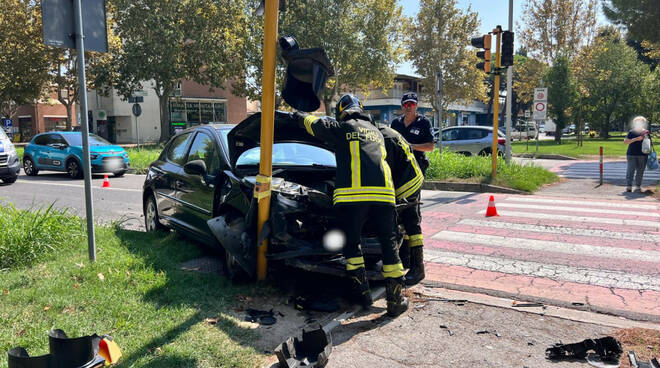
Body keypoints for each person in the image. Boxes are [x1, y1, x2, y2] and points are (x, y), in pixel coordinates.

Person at [293, 94, 408, 317]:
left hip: (353, 198)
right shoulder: (376, 132)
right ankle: (395, 301)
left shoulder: (342, 127)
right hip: (384, 195)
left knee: (352, 246)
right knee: (389, 244)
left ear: (343, 111)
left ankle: (362, 296)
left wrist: (298, 115)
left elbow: (315, 124)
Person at [377, 123, 426, 285]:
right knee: (406, 221)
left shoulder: (382, 138)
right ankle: (406, 260)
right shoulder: (385, 131)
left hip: (407, 183)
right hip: (410, 177)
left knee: (412, 223)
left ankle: (418, 268)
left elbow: (386, 168)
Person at [390, 92, 435, 175]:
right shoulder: (395, 123)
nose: (409, 107)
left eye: (412, 104)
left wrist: (410, 146)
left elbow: (430, 147)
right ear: (402, 106)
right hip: (398, 166)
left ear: (416, 106)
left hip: (417, 165)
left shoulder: (424, 122)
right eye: (406, 104)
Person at [623, 116, 650, 192]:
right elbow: (625, 142)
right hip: (631, 154)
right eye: (637, 122)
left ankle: (638, 186)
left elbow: (649, 143)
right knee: (630, 170)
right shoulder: (631, 132)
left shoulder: (646, 132)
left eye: (641, 122)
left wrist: (646, 138)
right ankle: (629, 186)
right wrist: (636, 139)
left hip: (643, 154)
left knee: (640, 171)